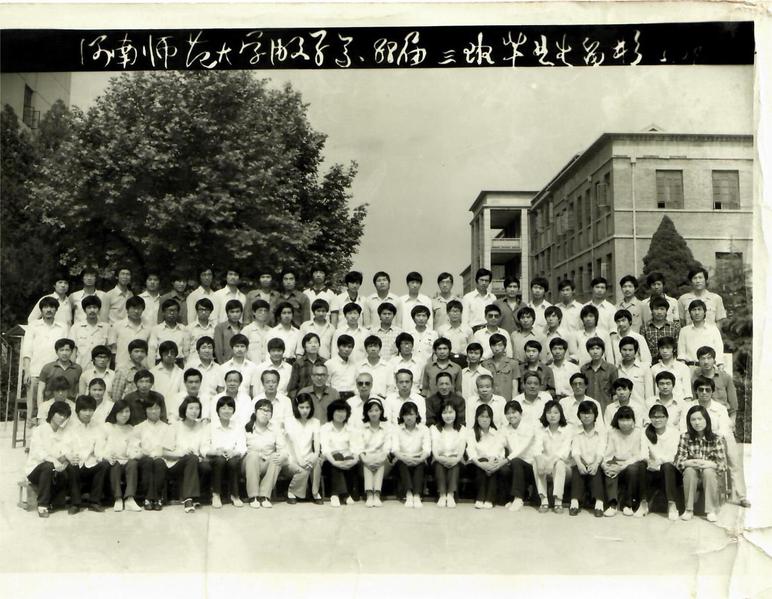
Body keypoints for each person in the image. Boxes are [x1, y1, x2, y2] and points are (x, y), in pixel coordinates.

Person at [683, 376, 749, 508]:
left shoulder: (720, 408)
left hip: (717, 439)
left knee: (734, 460)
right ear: (696, 391)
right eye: (701, 389)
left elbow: (723, 429)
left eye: (707, 390)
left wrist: (710, 438)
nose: (704, 392)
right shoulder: (689, 407)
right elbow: (683, 428)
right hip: (695, 439)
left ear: (712, 392)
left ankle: (741, 496)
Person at [674, 404, 726, 522]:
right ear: (689, 422)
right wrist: (689, 462)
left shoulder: (716, 439)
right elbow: (678, 461)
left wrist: (708, 464)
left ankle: (710, 511)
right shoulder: (685, 437)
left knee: (708, 471)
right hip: (692, 476)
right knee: (689, 471)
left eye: (700, 419)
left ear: (706, 420)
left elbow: (722, 464)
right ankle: (689, 510)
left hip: (710, 476)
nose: (697, 423)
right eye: (693, 419)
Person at [22, 296, 70, 422]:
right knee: (33, 408)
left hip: (55, 373)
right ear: (41, 310)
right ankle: (32, 432)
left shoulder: (63, 327)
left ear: (56, 310)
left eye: (52, 307)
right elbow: (27, 350)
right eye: (45, 307)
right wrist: (27, 371)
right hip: (35, 372)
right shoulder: (33, 326)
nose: (49, 310)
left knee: (54, 407)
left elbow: (66, 350)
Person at [25, 401, 73, 518]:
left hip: (55, 468)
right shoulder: (39, 430)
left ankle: (59, 501)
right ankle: (42, 505)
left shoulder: (63, 433)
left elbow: (64, 451)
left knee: (69, 468)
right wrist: (55, 460)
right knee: (48, 466)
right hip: (35, 470)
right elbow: (39, 453)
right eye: (60, 414)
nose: (62, 418)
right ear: (52, 413)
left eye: (65, 415)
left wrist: (67, 458)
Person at [162, 396, 209, 513]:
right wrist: (180, 453)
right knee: (191, 458)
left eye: (197, 408)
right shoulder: (175, 426)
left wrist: (201, 456)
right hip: (175, 463)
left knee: (205, 466)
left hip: (195, 461)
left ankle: (196, 497)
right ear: (184, 409)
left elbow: (204, 447)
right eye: (191, 408)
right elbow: (164, 452)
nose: (194, 411)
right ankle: (188, 498)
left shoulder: (202, 426)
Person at [63, 395, 109, 514]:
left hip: (89, 462)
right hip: (74, 462)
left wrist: (101, 457)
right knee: (72, 466)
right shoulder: (69, 426)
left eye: (91, 410)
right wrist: (70, 457)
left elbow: (99, 447)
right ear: (78, 411)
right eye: (84, 410)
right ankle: (75, 503)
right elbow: (64, 446)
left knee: (103, 465)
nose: (88, 413)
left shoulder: (97, 426)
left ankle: (94, 501)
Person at [601, 406, 647, 517]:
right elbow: (608, 453)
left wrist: (623, 466)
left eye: (628, 419)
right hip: (617, 462)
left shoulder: (639, 432)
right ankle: (612, 504)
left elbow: (642, 455)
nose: (625, 423)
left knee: (633, 469)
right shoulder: (613, 433)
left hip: (632, 463)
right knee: (610, 466)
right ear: (617, 420)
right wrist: (605, 465)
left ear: (633, 421)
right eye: (621, 419)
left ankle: (628, 504)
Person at [204, 396, 246, 509]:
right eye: (223, 408)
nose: (226, 411)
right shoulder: (210, 426)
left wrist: (234, 452)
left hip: (232, 456)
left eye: (230, 408)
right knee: (220, 460)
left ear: (233, 411)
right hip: (215, 457)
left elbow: (242, 446)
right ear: (218, 410)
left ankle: (235, 495)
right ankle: (216, 494)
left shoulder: (238, 426)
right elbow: (204, 447)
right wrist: (215, 452)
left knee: (233, 462)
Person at [100, 399, 141, 512]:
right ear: (115, 412)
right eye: (121, 412)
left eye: (127, 411)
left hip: (126, 460)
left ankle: (129, 498)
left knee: (133, 464)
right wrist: (108, 456)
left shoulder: (131, 429)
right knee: (115, 464)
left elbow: (134, 448)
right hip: (112, 460)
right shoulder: (107, 427)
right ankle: (117, 499)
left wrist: (131, 453)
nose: (124, 415)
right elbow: (100, 447)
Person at [283, 392, 323, 504]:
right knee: (304, 471)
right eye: (301, 407)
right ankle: (291, 491)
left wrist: (315, 455)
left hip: (308, 457)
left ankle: (315, 493)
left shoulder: (315, 422)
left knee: (317, 461)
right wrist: (300, 460)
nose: (305, 410)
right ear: (296, 407)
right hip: (292, 459)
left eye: (307, 407)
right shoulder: (289, 421)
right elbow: (293, 442)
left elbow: (317, 442)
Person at [644, 404, 682, 521]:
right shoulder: (645, 432)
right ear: (650, 418)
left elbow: (673, 455)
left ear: (667, 418)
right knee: (641, 465)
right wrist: (648, 461)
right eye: (654, 417)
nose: (657, 420)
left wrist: (658, 461)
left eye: (661, 417)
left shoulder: (674, 432)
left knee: (667, 466)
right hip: (653, 469)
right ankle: (643, 503)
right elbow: (643, 452)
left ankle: (672, 504)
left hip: (670, 470)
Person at [569, 400, 606, 517]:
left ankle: (599, 503)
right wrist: (580, 464)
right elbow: (575, 450)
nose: (586, 416)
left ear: (595, 415)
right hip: (580, 461)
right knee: (576, 469)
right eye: (583, 413)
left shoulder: (601, 431)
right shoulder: (575, 430)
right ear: (579, 415)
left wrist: (595, 464)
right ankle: (574, 502)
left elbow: (601, 450)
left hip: (596, 462)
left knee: (596, 471)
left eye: (589, 413)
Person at [534, 400, 572, 513]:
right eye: (549, 412)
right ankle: (544, 500)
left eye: (556, 412)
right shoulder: (540, 430)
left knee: (559, 463)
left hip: (564, 467)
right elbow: (536, 449)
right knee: (535, 462)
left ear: (561, 414)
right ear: (545, 414)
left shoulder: (567, 429)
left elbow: (564, 452)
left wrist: (551, 464)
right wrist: (540, 462)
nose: (552, 415)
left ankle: (558, 501)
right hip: (545, 467)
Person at [391, 401, 431, 509]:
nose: (408, 417)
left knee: (420, 465)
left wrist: (419, 459)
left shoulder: (424, 429)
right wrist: (404, 458)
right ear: (402, 416)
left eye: (411, 414)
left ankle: (417, 495)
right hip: (402, 459)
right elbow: (395, 449)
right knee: (401, 464)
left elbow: (427, 449)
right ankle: (408, 494)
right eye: (406, 414)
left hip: (419, 458)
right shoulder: (397, 429)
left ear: (416, 415)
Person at [134, 395, 170, 510]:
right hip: (145, 459)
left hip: (162, 459)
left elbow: (169, 447)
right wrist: (143, 452)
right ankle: (148, 498)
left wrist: (158, 453)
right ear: (145, 410)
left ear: (161, 410)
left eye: (157, 408)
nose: (154, 411)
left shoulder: (167, 428)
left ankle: (158, 498)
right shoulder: (139, 427)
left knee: (159, 462)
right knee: (148, 461)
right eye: (150, 408)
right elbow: (133, 447)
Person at [320, 399, 360, 507]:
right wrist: (335, 462)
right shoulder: (325, 428)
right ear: (331, 412)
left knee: (348, 458)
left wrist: (354, 460)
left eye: (343, 411)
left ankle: (337, 494)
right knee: (337, 456)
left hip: (347, 462)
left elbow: (356, 449)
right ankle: (341, 495)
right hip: (330, 462)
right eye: (338, 411)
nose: (341, 414)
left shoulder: (351, 429)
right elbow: (325, 450)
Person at [502, 400, 537, 512]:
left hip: (530, 466)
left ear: (520, 413)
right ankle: (511, 498)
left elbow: (521, 448)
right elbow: (500, 444)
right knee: (503, 469)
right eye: (508, 413)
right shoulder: (505, 429)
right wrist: (497, 458)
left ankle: (518, 498)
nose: (511, 415)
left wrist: (507, 459)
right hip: (514, 464)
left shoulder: (529, 427)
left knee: (516, 461)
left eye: (514, 412)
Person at [430, 401, 466, 508]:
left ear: (456, 413)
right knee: (438, 465)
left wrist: (454, 460)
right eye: (445, 412)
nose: (448, 415)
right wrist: (442, 459)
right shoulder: (435, 429)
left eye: (451, 412)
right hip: (439, 460)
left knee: (455, 465)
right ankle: (442, 495)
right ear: (440, 414)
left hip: (457, 460)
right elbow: (435, 452)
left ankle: (450, 495)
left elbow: (461, 451)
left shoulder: (462, 429)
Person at [357, 398, 391, 508]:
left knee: (380, 461)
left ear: (381, 411)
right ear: (366, 413)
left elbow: (387, 448)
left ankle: (376, 495)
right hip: (365, 460)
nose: (374, 413)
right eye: (370, 411)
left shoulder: (386, 428)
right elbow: (359, 448)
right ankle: (369, 495)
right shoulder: (361, 428)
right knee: (367, 461)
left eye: (376, 410)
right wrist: (366, 460)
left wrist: (379, 459)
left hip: (382, 460)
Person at [693, 346, 738, 422]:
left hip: (722, 415)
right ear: (699, 361)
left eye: (709, 358)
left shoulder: (725, 377)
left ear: (714, 360)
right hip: (702, 416)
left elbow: (733, 404)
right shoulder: (695, 377)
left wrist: (732, 420)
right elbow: (694, 400)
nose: (706, 362)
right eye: (703, 358)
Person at [677, 300, 725, 367]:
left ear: (704, 312)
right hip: (690, 367)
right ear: (690, 313)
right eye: (694, 310)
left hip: (709, 367)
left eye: (699, 309)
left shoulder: (713, 330)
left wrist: (719, 366)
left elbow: (719, 351)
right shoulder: (684, 331)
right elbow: (681, 354)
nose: (697, 313)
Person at [37, 338, 82, 406]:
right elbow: (40, 391)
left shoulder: (77, 369)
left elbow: (79, 391)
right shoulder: (47, 367)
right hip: (50, 404)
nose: (64, 353)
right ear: (56, 352)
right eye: (61, 350)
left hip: (70, 405)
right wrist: (41, 407)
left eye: (67, 350)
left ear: (72, 351)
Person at [580, 337, 618, 412]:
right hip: (588, 408)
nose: (595, 352)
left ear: (603, 350)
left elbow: (615, 393)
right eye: (592, 349)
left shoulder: (612, 369)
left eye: (598, 348)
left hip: (606, 407)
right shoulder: (584, 369)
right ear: (588, 351)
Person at [72, 295, 110, 369]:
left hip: (101, 369)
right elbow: (73, 350)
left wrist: (107, 369)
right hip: (81, 367)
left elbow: (109, 351)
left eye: (95, 307)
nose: (92, 310)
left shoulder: (106, 327)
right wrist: (74, 369)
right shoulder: (76, 327)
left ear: (99, 309)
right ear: (84, 310)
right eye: (89, 307)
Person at [650, 336, 692, 402]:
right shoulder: (654, 369)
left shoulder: (683, 368)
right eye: (662, 348)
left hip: (679, 405)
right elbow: (651, 393)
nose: (664, 351)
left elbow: (688, 394)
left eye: (668, 348)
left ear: (674, 349)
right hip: (659, 405)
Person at [641, 296, 681, 364]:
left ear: (666, 311)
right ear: (651, 310)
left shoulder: (674, 327)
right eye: (656, 309)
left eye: (662, 309)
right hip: (650, 363)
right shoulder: (645, 327)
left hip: (670, 363)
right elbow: (642, 349)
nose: (659, 312)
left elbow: (677, 347)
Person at [615, 336, 654, 405]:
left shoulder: (644, 368)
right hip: (620, 409)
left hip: (640, 408)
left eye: (630, 350)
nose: (627, 353)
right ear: (620, 350)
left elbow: (649, 395)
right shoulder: (615, 368)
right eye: (624, 350)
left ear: (635, 351)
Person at [481, 333, 521, 402]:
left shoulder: (513, 363)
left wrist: (513, 402)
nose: (497, 348)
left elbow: (515, 387)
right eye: (494, 345)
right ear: (490, 346)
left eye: (500, 345)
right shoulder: (484, 364)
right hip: (489, 401)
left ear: (505, 346)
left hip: (507, 400)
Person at [287, 333, 327, 399]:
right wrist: (297, 400)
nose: (313, 345)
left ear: (319, 345)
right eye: (310, 343)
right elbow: (292, 388)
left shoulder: (325, 362)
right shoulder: (298, 363)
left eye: (316, 342)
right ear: (304, 346)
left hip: (322, 398)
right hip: (304, 399)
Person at [186, 337, 224, 405]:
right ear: (198, 351)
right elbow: (184, 388)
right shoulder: (190, 366)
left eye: (210, 347)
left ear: (213, 350)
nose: (207, 350)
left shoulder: (218, 368)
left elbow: (220, 391)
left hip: (212, 403)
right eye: (203, 347)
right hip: (193, 403)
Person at [357, 335, 392, 399]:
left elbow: (391, 387)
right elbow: (355, 386)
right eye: (370, 346)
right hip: (363, 400)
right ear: (366, 349)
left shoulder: (388, 366)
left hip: (383, 400)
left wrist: (385, 400)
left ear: (380, 348)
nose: (373, 349)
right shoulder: (358, 366)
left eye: (375, 346)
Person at [324, 334, 358, 400]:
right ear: (338, 346)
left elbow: (357, 383)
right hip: (335, 397)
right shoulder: (329, 364)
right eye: (344, 346)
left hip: (352, 397)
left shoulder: (354, 365)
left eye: (349, 347)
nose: (346, 349)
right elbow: (326, 384)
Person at [214, 299, 244, 364]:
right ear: (227, 313)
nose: (235, 314)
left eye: (237, 311)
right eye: (232, 312)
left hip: (242, 363)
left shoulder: (244, 328)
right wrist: (222, 365)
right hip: (226, 363)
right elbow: (218, 350)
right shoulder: (220, 327)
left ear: (241, 313)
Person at [241, 299, 271, 365]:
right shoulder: (246, 330)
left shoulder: (271, 331)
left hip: (268, 367)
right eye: (260, 310)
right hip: (251, 366)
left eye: (265, 311)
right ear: (254, 312)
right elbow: (242, 351)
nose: (263, 313)